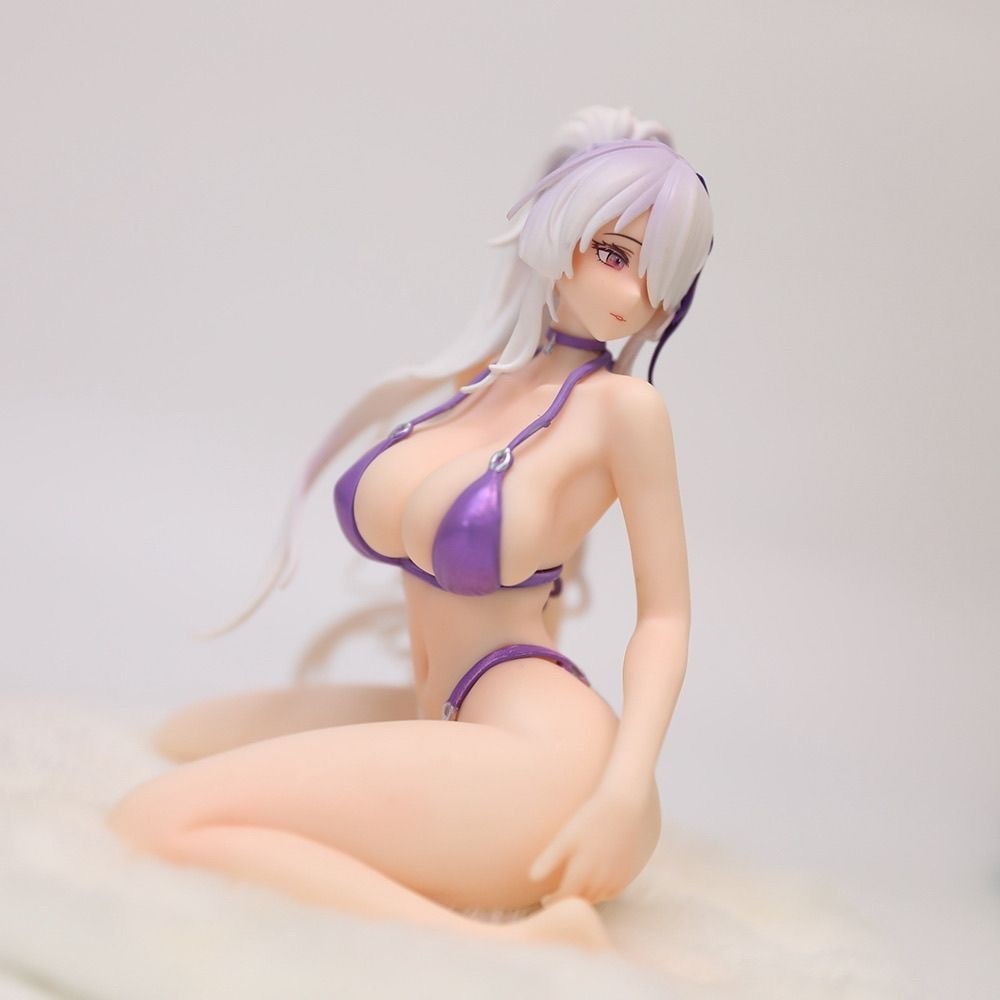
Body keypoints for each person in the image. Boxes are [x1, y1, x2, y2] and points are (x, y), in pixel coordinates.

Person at [106, 106, 714, 951]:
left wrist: (622, 788)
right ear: (559, 228)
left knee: (156, 820)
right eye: (615, 254)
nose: (635, 296)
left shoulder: (624, 412)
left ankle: (513, 948)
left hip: (552, 755)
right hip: (453, 711)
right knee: (187, 734)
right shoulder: (487, 379)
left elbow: (666, 616)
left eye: (663, 275)